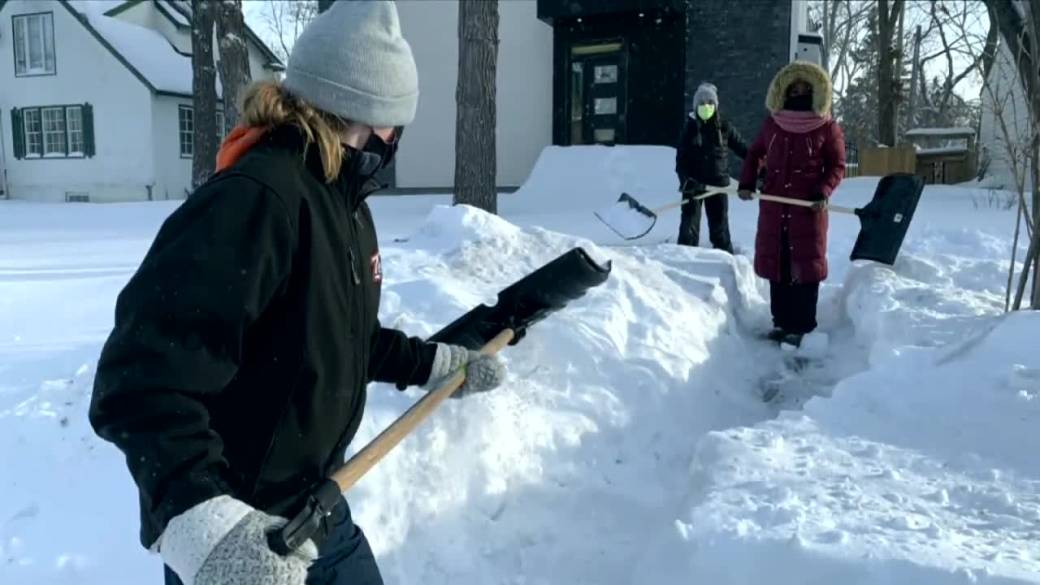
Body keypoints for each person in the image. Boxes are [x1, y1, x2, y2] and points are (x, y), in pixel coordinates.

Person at [88, 3, 506, 585]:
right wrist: (205, 523)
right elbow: (139, 379)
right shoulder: (258, 200)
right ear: (368, 114)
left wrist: (442, 363)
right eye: (394, 122)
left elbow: (343, 339)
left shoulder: (344, 205)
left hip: (321, 514)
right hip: (241, 541)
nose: (396, 139)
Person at [736, 61, 846, 347]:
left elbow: (837, 166)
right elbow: (754, 154)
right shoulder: (773, 124)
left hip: (808, 210)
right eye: (794, 87)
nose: (798, 92)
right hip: (775, 207)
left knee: (804, 266)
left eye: (804, 88)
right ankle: (781, 322)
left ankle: (803, 325)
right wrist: (747, 182)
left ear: (815, 92)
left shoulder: (827, 127)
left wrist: (823, 190)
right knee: (779, 264)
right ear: (783, 90)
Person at [674, 82, 748, 253]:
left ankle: (725, 260)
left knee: (719, 228)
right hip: (694, 186)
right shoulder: (689, 129)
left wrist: (761, 166)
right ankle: (682, 262)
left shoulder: (724, 127)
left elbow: (744, 150)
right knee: (688, 230)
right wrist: (686, 182)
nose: (706, 106)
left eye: (710, 103)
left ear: (715, 105)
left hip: (717, 186)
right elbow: (681, 161)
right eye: (701, 103)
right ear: (695, 106)